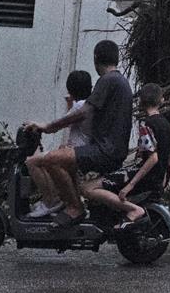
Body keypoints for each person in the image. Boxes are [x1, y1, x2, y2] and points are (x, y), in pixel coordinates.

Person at [26, 40, 134, 228]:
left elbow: (84, 112)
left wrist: (49, 127)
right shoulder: (120, 82)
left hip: (104, 150)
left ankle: (74, 207)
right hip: (111, 148)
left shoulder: (108, 80)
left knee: (52, 159)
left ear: (96, 58)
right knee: (60, 159)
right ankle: (69, 204)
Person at [81, 83, 170, 228]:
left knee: (87, 188)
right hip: (156, 177)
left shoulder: (146, 124)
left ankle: (133, 209)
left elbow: (152, 158)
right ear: (161, 100)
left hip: (144, 176)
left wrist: (130, 186)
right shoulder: (165, 124)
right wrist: (167, 178)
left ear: (141, 102)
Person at [25, 70, 93, 218]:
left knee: (32, 162)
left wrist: (39, 125)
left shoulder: (80, 106)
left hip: (75, 152)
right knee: (47, 159)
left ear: (71, 89)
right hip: (80, 151)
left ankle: (51, 201)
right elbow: (71, 121)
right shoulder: (85, 105)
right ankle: (58, 200)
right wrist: (70, 103)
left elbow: (58, 124)